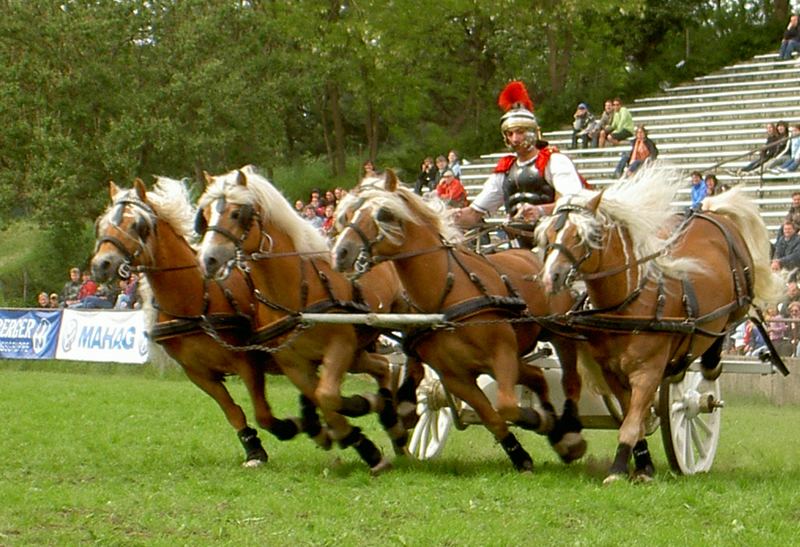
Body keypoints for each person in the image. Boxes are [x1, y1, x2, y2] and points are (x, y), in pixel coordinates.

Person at [454, 80, 584, 233]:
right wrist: (443, 217)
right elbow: (475, 213)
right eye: (510, 134)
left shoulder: (554, 161)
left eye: (520, 132)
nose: (515, 139)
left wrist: (541, 210)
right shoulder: (506, 170)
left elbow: (572, 203)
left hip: (553, 241)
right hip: (517, 244)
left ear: (533, 132)